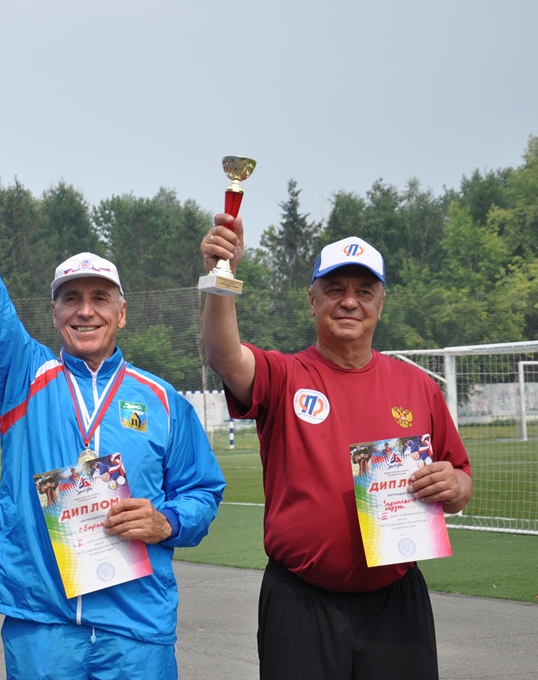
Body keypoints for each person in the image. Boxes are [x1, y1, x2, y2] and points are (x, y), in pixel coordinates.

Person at [0, 125, 225, 680]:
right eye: (72, 299)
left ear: (122, 312)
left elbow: (203, 491)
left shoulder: (163, 401)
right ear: (55, 312)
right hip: (43, 623)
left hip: (137, 626)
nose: (85, 311)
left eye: (99, 298)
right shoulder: (22, 375)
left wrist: (165, 521)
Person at [200, 218, 473, 679]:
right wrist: (220, 276)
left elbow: (462, 482)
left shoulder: (418, 386)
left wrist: (453, 484)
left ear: (380, 305)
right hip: (301, 602)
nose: (349, 301)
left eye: (364, 291)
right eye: (335, 289)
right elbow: (223, 354)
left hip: (396, 600)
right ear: (313, 300)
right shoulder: (284, 375)